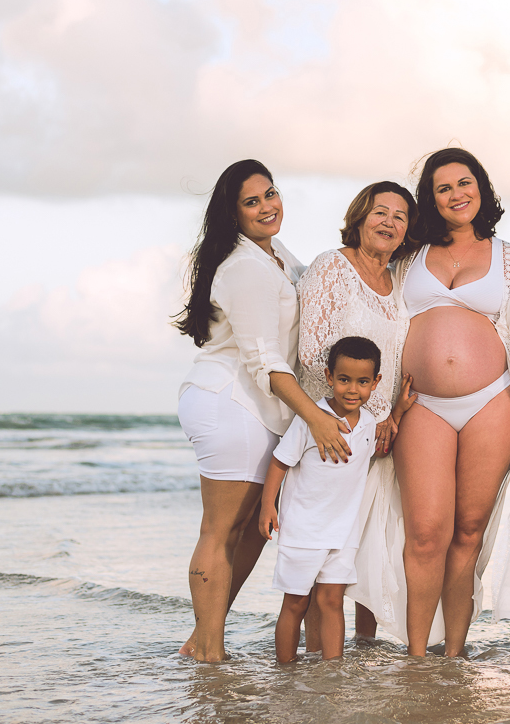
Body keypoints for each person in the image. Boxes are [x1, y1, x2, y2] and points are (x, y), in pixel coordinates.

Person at [173, 159, 352, 663]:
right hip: (231, 403)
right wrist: (316, 418)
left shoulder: (273, 254)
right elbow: (263, 361)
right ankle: (209, 652)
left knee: (251, 528)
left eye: (270, 194)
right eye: (252, 202)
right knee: (220, 529)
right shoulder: (246, 267)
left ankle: (201, 639)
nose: (267, 206)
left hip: (257, 407)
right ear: (234, 214)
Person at [389, 147, 510, 656]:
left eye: (464, 182)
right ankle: (417, 654)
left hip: (493, 401)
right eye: (443, 187)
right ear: (431, 198)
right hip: (421, 403)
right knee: (426, 532)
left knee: (469, 530)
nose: (456, 194)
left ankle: (454, 653)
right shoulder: (407, 258)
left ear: (481, 187)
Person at [295, 180, 418, 647]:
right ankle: (309, 659)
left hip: (381, 436)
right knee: (321, 546)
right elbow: (312, 351)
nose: (389, 221)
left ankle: (363, 649)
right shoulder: (332, 266)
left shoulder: (399, 282)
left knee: (369, 542)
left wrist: (393, 415)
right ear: (359, 217)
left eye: (400, 216)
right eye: (380, 211)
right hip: (335, 433)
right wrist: (375, 411)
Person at [259, 336, 413, 662]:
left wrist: (397, 411)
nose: (352, 389)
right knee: (296, 603)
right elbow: (279, 461)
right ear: (329, 377)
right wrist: (267, 505)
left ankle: (333, 671)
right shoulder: (310, 420)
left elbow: (376, 451)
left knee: (332, 601)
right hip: (303, 530)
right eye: (344, 380)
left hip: (344, 534)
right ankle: (284, 672)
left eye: (362, 382)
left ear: (376, 383)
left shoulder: (370, 422)